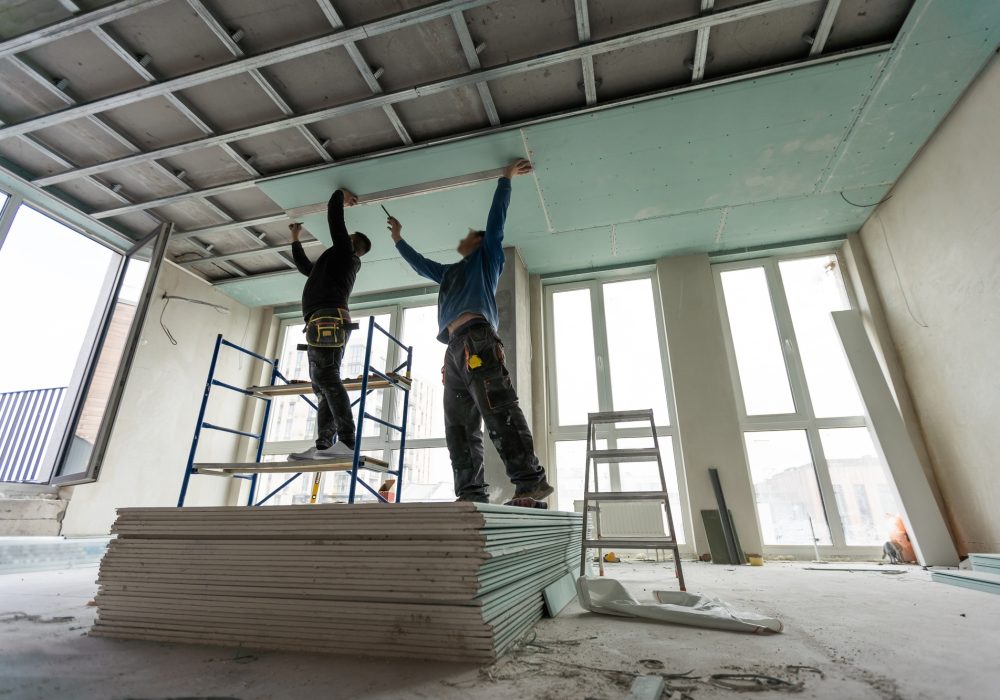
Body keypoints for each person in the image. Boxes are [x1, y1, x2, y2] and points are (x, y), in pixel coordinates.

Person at [387, 159, 553, 503]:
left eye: (469, 237)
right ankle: (470, 493)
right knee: (459, 428)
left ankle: (529, 481)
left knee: (498, 409)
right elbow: (420, 264)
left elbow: (496, 226)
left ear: (479, 244)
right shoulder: (448, 273)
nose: (463, 240)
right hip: (454, 352)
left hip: (479, 341)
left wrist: (504, 180)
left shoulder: (487, 259)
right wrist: (398, 239)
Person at [287, 188, 371, 461]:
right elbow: (303, 267)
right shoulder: (330, 262)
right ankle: (324, 445)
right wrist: (295, 239)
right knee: (321, 385)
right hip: (318, 321)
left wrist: (339, 195)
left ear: (353, 245)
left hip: (329, 320)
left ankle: (346, 441)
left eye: (349, 238)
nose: (344, 237)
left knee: (327, 379)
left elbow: (336, 220)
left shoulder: (346, 256)